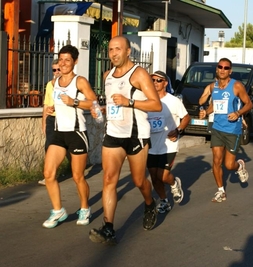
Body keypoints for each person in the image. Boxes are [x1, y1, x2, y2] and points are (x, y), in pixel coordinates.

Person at [89, 36, 162, 245]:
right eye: (110, 49)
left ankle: (149, 203)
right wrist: (103, 111)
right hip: (113, 133)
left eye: (118, 49)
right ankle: (108, 228)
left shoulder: (139, 74)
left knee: (139, 181)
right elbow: (115, 104)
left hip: (136, 135)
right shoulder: (107, 75)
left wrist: (129, 102)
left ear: (128, 51)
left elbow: (156, 105)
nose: (113, 53)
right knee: (109, 179)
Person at [42, 45, 97, 228]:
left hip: (76, 133)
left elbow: (93, 102)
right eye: (61, 59)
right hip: (59, 133)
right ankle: (58, 211)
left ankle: (84, 208)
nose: (63, 63)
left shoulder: (79, 81)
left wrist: (74, 102)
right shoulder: (55, 82)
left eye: (67, 60)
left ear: (75, 61)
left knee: (77, 176)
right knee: (49, 174)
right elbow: (56, 104)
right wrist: (51, 109)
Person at [198, 58, 253, 203]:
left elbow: (249, 104)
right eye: (220, 67)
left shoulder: (236, 86)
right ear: (217, 69)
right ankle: (221, 190)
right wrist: (206, 113)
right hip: (217, 128)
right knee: (216, 161)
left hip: (232, 130)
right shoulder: (212, 86)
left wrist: (238, 114)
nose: (223, 69)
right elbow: (214, 105)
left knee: (229, 165)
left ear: (230, 70)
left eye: (226, 67)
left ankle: (239, 166)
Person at [147, 70, 190, 213]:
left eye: (158, 80)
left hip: (169, 145)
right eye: (152, 80)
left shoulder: (173, 101)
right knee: (154, 177)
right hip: (151, 145)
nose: (155, 83)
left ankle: (173, 182)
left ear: (165, 83)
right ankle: (164, 201)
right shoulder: (147, 100)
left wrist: (178, 130)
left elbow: (186, 118)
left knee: (163, 176)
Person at [39, 59, 61, 186]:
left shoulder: (67, 84)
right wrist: (44, 122)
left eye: (59, 69)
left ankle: (77, 172)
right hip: (52, 119)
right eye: (54, 70)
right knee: (48, 146)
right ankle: (48, 175)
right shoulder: (49, 85)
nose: (57, 72)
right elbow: (46, 105)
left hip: (64, 119)